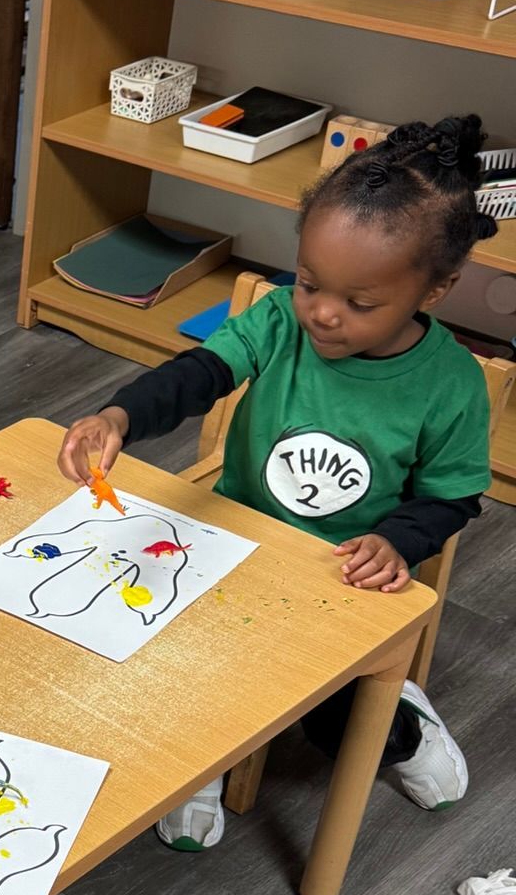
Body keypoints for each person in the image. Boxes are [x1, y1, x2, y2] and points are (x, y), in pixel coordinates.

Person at [57, 116, 495, 851]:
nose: (322, 313)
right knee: (161, 643)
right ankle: (195, 762)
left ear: (437, 288)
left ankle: (406, 730)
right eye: (310, 283)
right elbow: (200, 374)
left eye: (359, 304)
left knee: (330, 718)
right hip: (235, 537)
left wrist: (395, 542)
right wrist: (119, 416)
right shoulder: (278, 321)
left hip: (344, 571)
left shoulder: (450, 384)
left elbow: (451, 498)